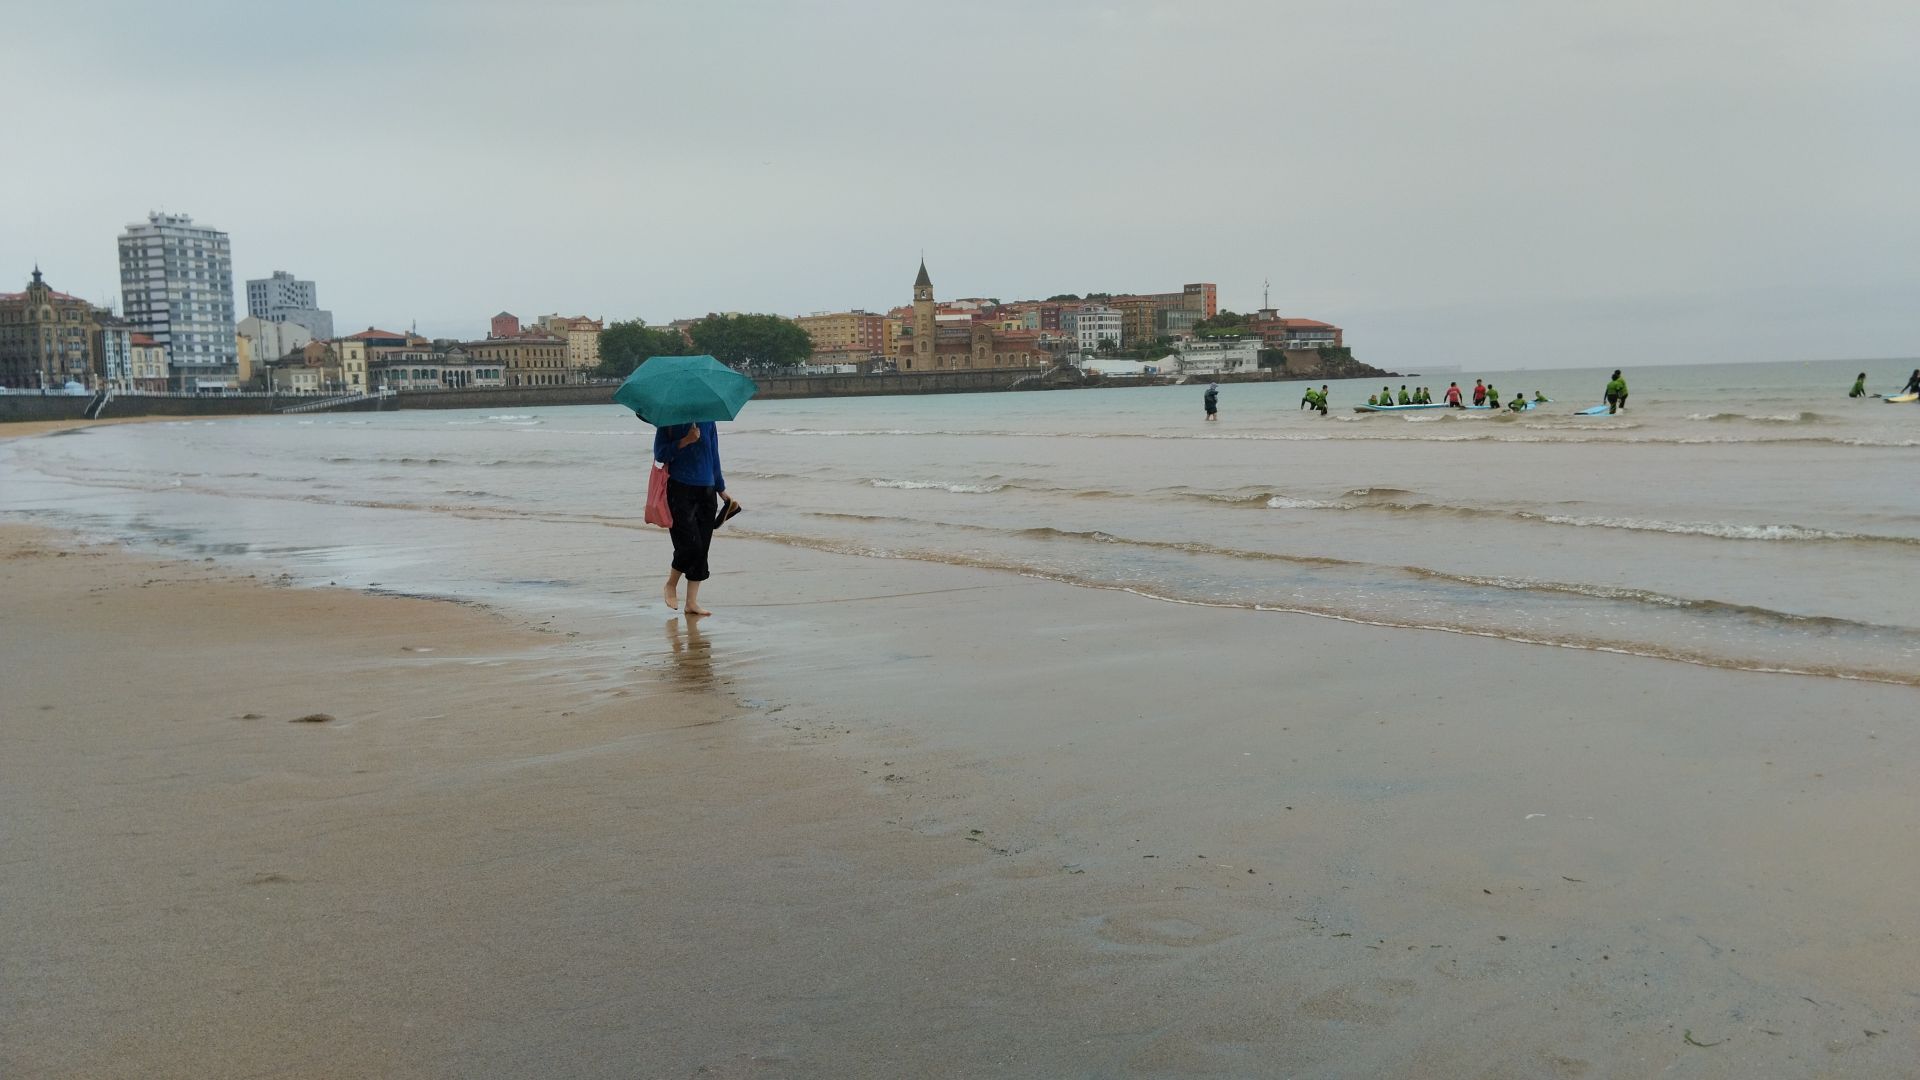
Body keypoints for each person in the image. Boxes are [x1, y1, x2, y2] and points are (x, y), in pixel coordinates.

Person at [654, 419, 737, 616]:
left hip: (707, 490)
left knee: (702, 548)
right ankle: (671, 584)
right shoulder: (669, 421)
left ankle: (691, 603)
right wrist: (685, 441)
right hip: (679, 488)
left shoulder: (709, 420)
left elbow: (713, 455)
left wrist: (721, 489)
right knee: (690, 545)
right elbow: (660, 454)